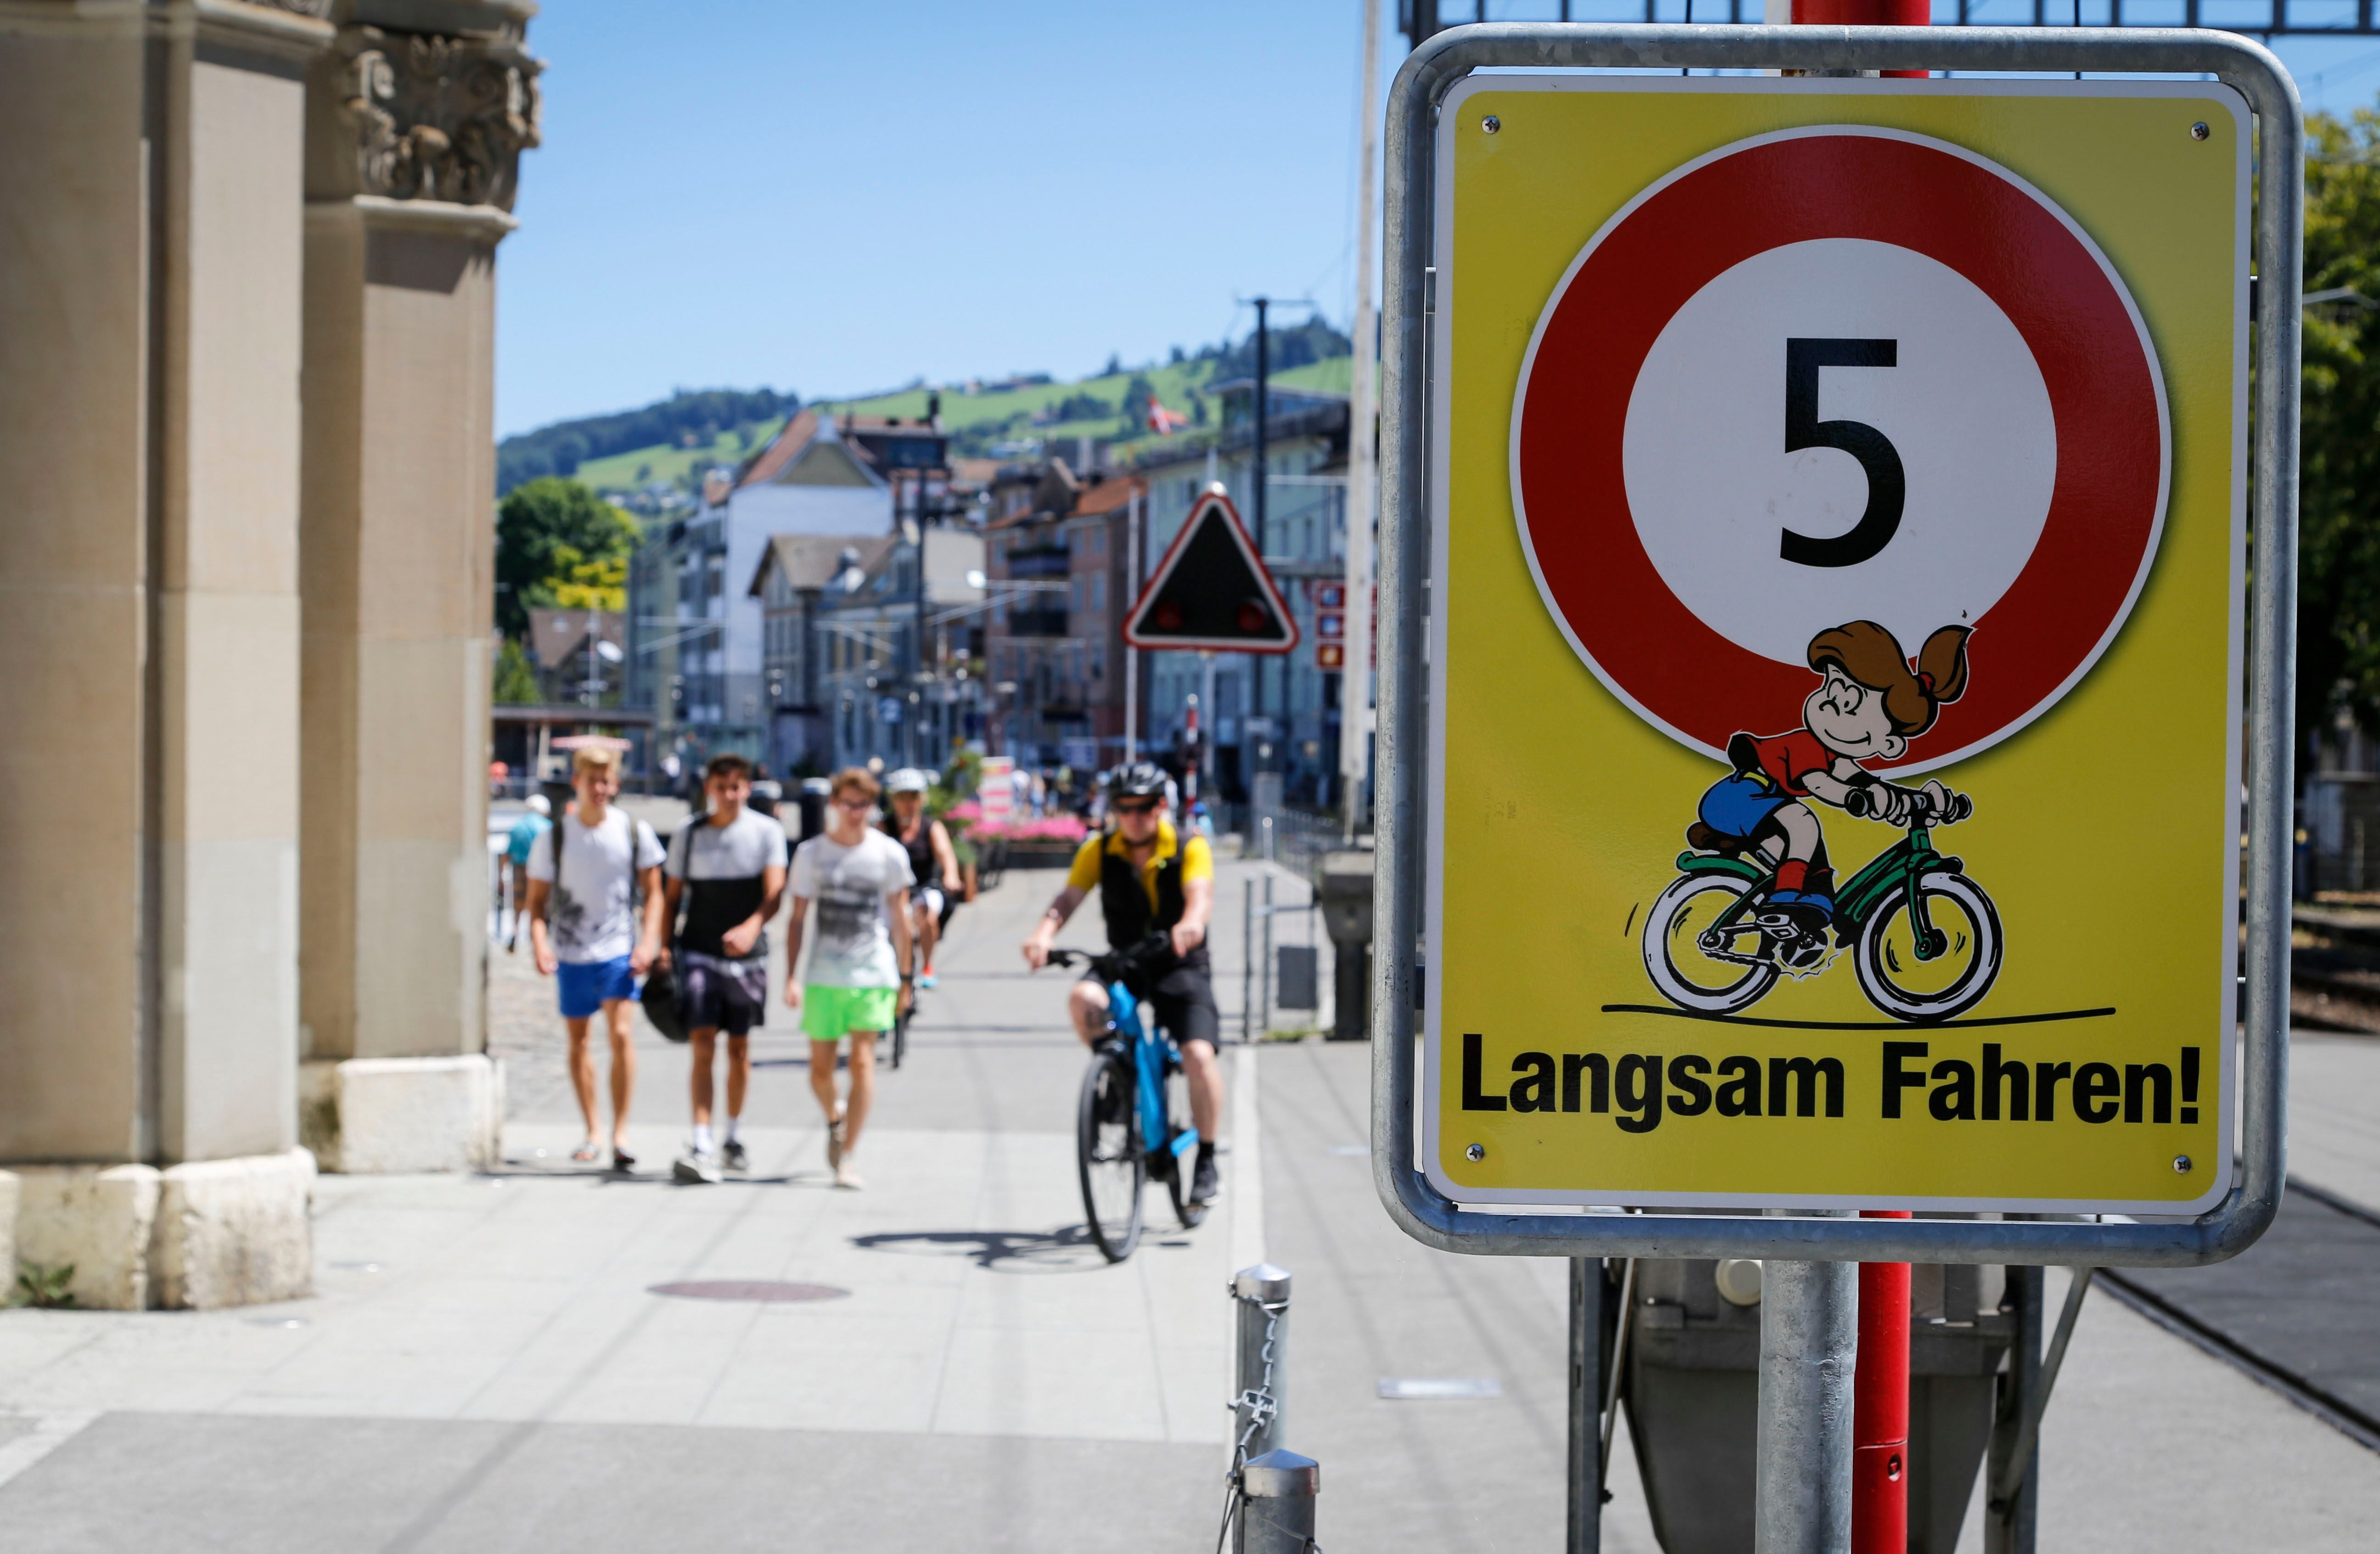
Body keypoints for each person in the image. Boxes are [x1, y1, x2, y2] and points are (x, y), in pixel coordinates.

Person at [1693, 620, 1973, 965]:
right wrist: (1852, 799)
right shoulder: (1808, 746)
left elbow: (1864, 782)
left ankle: (1804, 929)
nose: (1832, 704)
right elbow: (1820, 784)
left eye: (1852, 706)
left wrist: (1913, 800)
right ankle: (1784, 898)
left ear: (1888, 744)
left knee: (1816, 869)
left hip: (1767, 810)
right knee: (1804, 822)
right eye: (1832, 690)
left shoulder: (1838, 758)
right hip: (1740, 796)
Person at [1021, 762, 1224, 1207]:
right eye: (1124, 807)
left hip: (1179, 962)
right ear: (1112, 809)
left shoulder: (1190, 845)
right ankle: (1116, 1076)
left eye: (1145, 807)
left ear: (1161, 806)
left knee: (1197, 1054)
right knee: (1084, 999)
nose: (1134, 817)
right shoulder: (1100, 849)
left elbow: (1200, 894)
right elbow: (1069, 897)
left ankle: (1207, 1157)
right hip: (1127, 962)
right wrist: (1043, 935)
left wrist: (1191, 923)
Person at [525, 748, 666, 1171]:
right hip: (571, 951)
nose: (600, 788)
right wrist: (540, 944)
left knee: (622, 1035)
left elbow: (655, 891)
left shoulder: (633, 831)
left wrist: (650, 942)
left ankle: (621, 1133)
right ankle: (593, 1129)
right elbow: (536, 905)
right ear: (577, 782)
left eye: (607, 781)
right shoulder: (555, 837)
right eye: (592, 780)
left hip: (618, 949)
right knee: (579, 1041)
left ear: (616, 784)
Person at [785, 767, 915, 1190]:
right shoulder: (811, 854)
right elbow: (798, 918)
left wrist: (906, 977)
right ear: (834, 805)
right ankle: (835, 1118)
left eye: (863, 805)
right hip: (824, 974)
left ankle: (849, 1156)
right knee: (819, 1072)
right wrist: (791, 976)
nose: (856, 812)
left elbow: (900, 918)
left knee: (863, 1062)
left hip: (873, 971)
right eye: (848, 804)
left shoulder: (889, 853)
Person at [664, 754, 789, 1184]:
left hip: (747, 956)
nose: (730, 796)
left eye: (737, 787)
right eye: (722, 788)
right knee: (701, 1042)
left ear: (747, 789)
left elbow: (775, 891)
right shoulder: (691, 834)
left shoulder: (766, 832)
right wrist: (663, 947)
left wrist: (753, 926)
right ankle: (701, 1139)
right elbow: (671, 895)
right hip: (699, 948)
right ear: (710, 790)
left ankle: (733, 1136)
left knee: (738, 1048)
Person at [880, 768, 961, 988]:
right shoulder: (884, 827)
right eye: (903, 797)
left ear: (922, 799)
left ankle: (927, 964)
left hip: (924, 888)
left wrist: (951, 875)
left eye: (913, 797)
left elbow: (946, 855)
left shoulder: (931, 827)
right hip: (893, 891)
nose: (909, 803)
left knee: (926, 915)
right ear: (894, 800)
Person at [503, 793, 553, 952]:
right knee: (539, 904)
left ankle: (515, 933)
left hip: (519, 869)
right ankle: (537, 940)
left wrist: (502, 875)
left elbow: (507, 853)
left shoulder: (517, 827)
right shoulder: (547, 826)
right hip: (541, 873)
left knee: (519, 905)